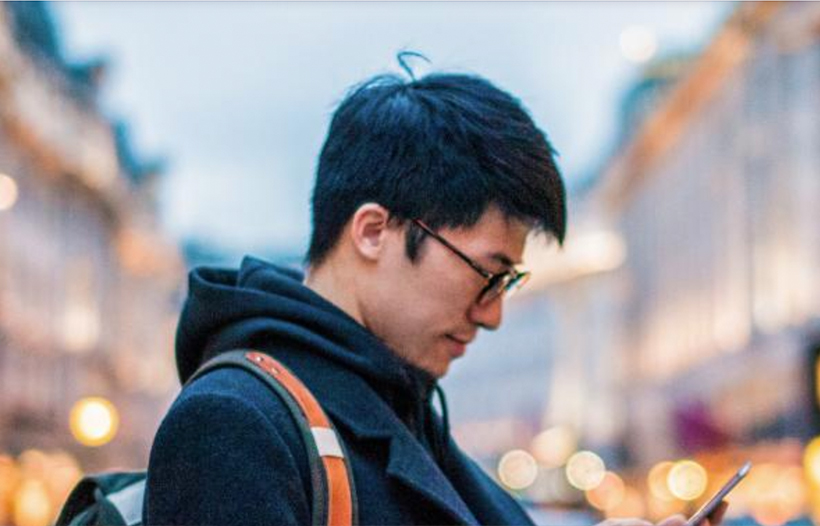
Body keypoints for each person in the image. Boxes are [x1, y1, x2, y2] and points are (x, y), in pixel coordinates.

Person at [144, 63, 726, 526]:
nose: (493, 314)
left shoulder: (399, 404)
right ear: (374, 232)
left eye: (508, 283)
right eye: (488, 273)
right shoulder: (234, 423)